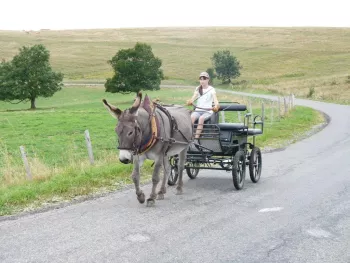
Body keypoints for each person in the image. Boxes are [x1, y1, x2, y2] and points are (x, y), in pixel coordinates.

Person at [186, 71, 220, 143]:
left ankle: (195, 139)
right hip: (198, 110)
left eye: (204, 79)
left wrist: (216, 106)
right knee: (191, 118)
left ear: (208, 80)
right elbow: (193, 97)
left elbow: (215, 100)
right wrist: (190, 101)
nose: (202, 81)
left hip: (207, 111)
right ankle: (188, 137)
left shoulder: (211, 89)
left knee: (201, 119)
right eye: (201, 79)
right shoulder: (198, 88)